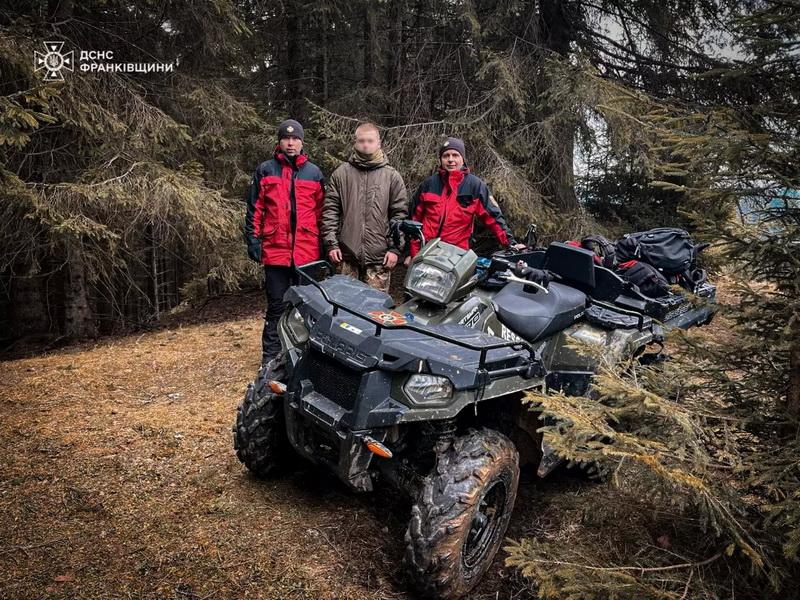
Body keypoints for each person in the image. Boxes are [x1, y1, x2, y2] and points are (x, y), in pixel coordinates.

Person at [244, 119, 325, 366]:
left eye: (295, 139)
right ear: (279, 142)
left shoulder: (314, 173)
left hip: (307, 253)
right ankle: (270, 359)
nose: (291, 143)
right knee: (277, 307)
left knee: (307, 308)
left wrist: (323, 247)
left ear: (302, 142)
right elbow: (254, 209)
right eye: (286, 138)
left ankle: (307, 358)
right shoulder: (266, 170)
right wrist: (253, 240)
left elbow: (322, 213)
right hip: (275, 251)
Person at [406, 137, 524, 264]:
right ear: (441, 159)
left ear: (462, 159)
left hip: (456, 257)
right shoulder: (428, 185)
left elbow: (494, 219)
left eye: (455, 155)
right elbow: (413, 220)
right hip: (425, 254)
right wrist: (412, 253)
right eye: (446, 155)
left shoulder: (475, 186)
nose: (451, 159)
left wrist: (511, 244)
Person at [322, 122, 408, 291]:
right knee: (344, 309)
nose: (366, 145)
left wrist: (395, 250)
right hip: (346, 257)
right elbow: (330, 211)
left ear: (378, 143)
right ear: (355, 142)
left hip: (379, 258)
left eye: (370, 140)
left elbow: (399, 216)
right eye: (361, 141)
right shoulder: (341, 174)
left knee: (375, 312)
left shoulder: (392, 177)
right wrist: (331, 244)